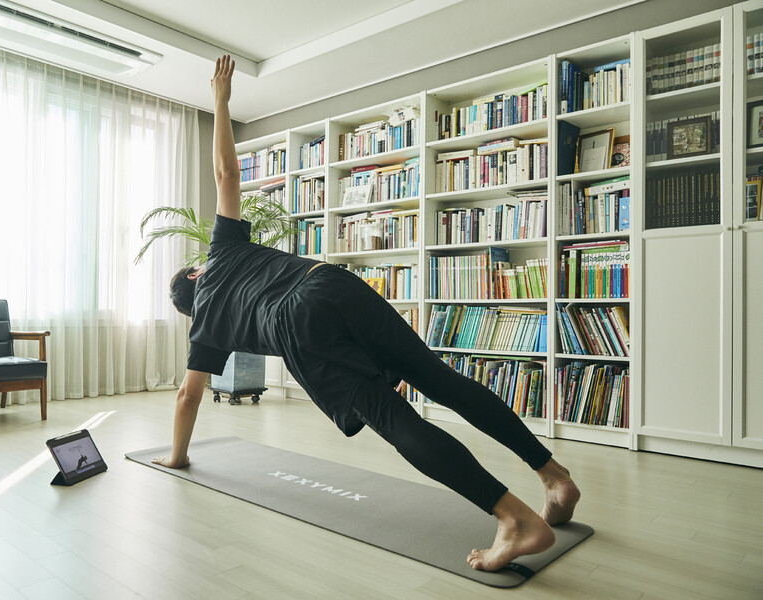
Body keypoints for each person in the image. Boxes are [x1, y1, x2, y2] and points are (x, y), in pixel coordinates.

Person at [153, 55, 581, 573]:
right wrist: (220, 100)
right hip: (329, 281)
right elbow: (226, 173)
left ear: (189, 303)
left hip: (299, 326)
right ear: (197, 274)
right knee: (437, 378)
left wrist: (177, 457)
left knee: (392, 417)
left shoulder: (205, 327)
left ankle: (515, 519)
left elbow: (187, 396)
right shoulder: (221, 252)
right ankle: (554, 477)